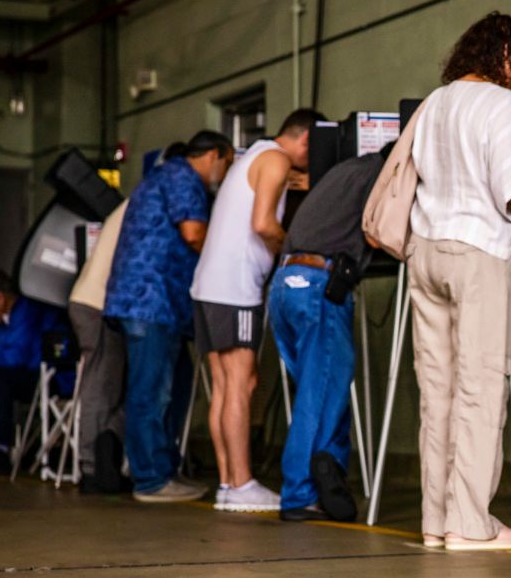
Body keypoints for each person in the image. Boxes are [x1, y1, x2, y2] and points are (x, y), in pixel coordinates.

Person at [402, 12, 511, 551]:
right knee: (480, 389)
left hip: (425, 250)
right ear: (506, 55)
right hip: (477, 253)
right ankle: (469, 524)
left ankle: (436, 521)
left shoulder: (435, 103)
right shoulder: (500, 104)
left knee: (437, 392)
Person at [190, 109, 323, 513]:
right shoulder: (277, 160)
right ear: (305, 140)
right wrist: (294, 252)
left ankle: (229, 484)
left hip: (207, 285)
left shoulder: (253, 157)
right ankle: (244, 483)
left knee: (224, 385)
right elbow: (264, 223)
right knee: (243, 384)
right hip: (235, 287)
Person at [104, 130, 234, 503]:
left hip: (152, 301)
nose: (224, 175)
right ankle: (150, 479)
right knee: (151, 391)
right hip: (151, 300)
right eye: (227, 165)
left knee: (166, 387)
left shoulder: (162, 176)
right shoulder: (183, 177)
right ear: (213, 155)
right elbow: (193, 233)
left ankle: (160, 470)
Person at [269, 143, 391, 522]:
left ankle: (327, 480)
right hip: (319, 284)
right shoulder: (383, 176)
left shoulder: (345, 169)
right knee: (319, 396)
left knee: (320, 389)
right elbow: (377, 233)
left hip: (285, 282)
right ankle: (300, 495)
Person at [0, 270, 67, 475]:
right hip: (23, 376)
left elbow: (17, 357)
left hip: (53, 378)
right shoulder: (4, 322)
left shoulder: (29, 312)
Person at [68, 198, 131, 493]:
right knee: (101, 386)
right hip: (98, 304)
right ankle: (92, 464)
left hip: (90, 299)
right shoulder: (145, 202)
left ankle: (100, 458)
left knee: (107, 384)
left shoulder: (129, 203)